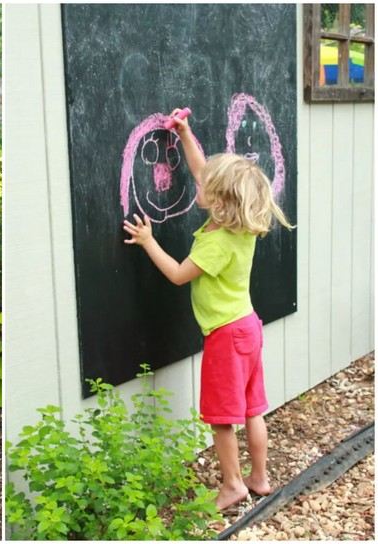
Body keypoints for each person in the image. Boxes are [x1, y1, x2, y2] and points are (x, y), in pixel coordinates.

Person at [122, 108, 294, 510]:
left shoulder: (214, 244)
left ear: (219, 200)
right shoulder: (241, 226)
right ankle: (259, 476)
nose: (197, 181)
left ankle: (233, 484)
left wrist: (149, 241)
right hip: (248, 328)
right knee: (253, 409)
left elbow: (180, 275)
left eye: (208, 185)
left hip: (225, 336)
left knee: (222, 417)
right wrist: (185, 133)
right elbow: (203, 172)